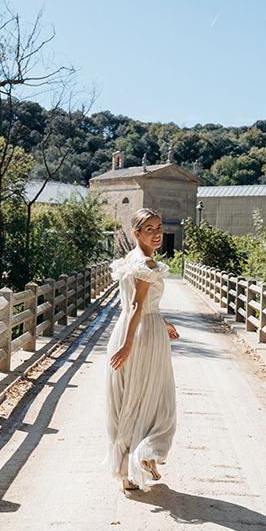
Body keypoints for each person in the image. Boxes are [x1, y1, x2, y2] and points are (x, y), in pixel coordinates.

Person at [104, 208, 180, 492]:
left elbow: (139, 304)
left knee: (129, 398)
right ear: (136, 233)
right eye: (149, 229)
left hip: (135, 327)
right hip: (142, 335)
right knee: (153, 398)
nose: (157, 233)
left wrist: (163, 321)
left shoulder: (131, 260)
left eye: (159, 227)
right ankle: (143, 455)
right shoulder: (145, 263)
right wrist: (127, 345)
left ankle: (128, 469)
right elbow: (137, 305)